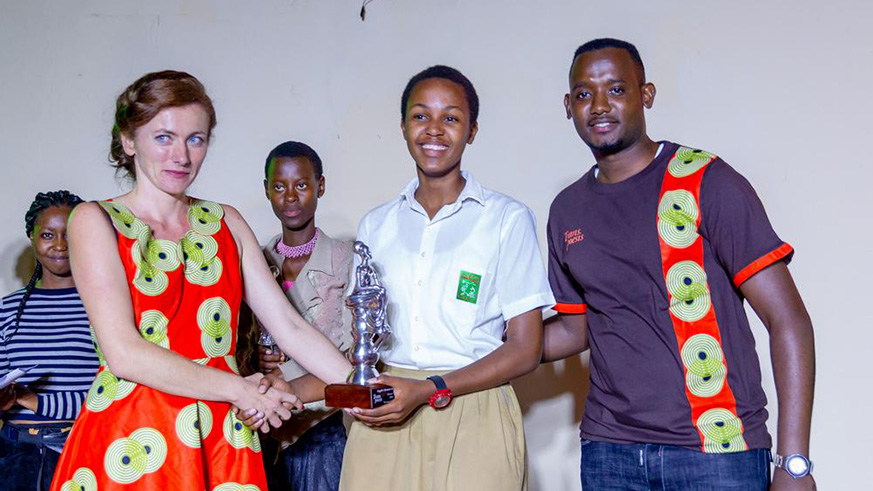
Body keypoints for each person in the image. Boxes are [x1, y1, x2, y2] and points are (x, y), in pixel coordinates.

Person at [48, 70, 352, 490]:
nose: (181, 156)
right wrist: (244, 392)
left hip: (221, 435)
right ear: (128, 140)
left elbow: (291, 327)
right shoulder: (95, 220)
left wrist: (364, 388)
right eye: (164, 137)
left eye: (196, 138)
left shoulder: (226, 220)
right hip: (134, 437)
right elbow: (124, 354)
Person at [542, 38, 816, 490]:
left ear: (645, 94)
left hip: (717, 453)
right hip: (610, 452)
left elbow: (788, 320)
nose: (600, 105)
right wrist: (482, 337)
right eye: (585, 93)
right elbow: (575, 330)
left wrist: (795, 462)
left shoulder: (705, 180)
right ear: (568, 105)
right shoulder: (567, 210)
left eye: (616, 89)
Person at [339, 65, 555, 491]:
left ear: (472, 131)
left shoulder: (506, 219)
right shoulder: (375, 225)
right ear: (402, 127)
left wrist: (432, 388)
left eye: (451, 118)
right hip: (386, 408)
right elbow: (361, 338)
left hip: (474, 409)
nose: (434, 130)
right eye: (421, 116)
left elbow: (525, 349)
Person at [244, 141, 355, 491]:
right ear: (267, 190)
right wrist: (254, 357)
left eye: (302, 185)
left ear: (320, 186)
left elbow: (357, 360)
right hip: (265, 431)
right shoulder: (254, 261)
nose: (290, 196)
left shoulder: (346, 259)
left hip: (323, 430)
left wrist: (285, 374)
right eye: (279, 186)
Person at [0, 191, 98, 491]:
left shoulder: (105, 307)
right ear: (32, 237)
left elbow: (115, 393)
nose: (60, 245)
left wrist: (36, 400)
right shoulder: (6, 309)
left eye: (70, 234)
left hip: (85, 451)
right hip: (15, 459)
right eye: (47, 234)